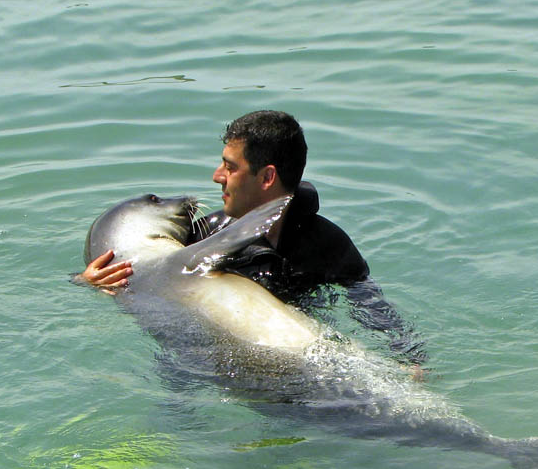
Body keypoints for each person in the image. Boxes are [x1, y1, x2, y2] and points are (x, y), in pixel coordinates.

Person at [81, 110, 426, 366]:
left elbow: (366, 298)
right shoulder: (205, 233)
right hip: (210, 355)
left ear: (267, 177)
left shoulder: (325, 242)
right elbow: (150, 279)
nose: (217, 177)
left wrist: (408, 355)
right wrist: (90, 281)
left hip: (296, 345)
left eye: (230, 167)